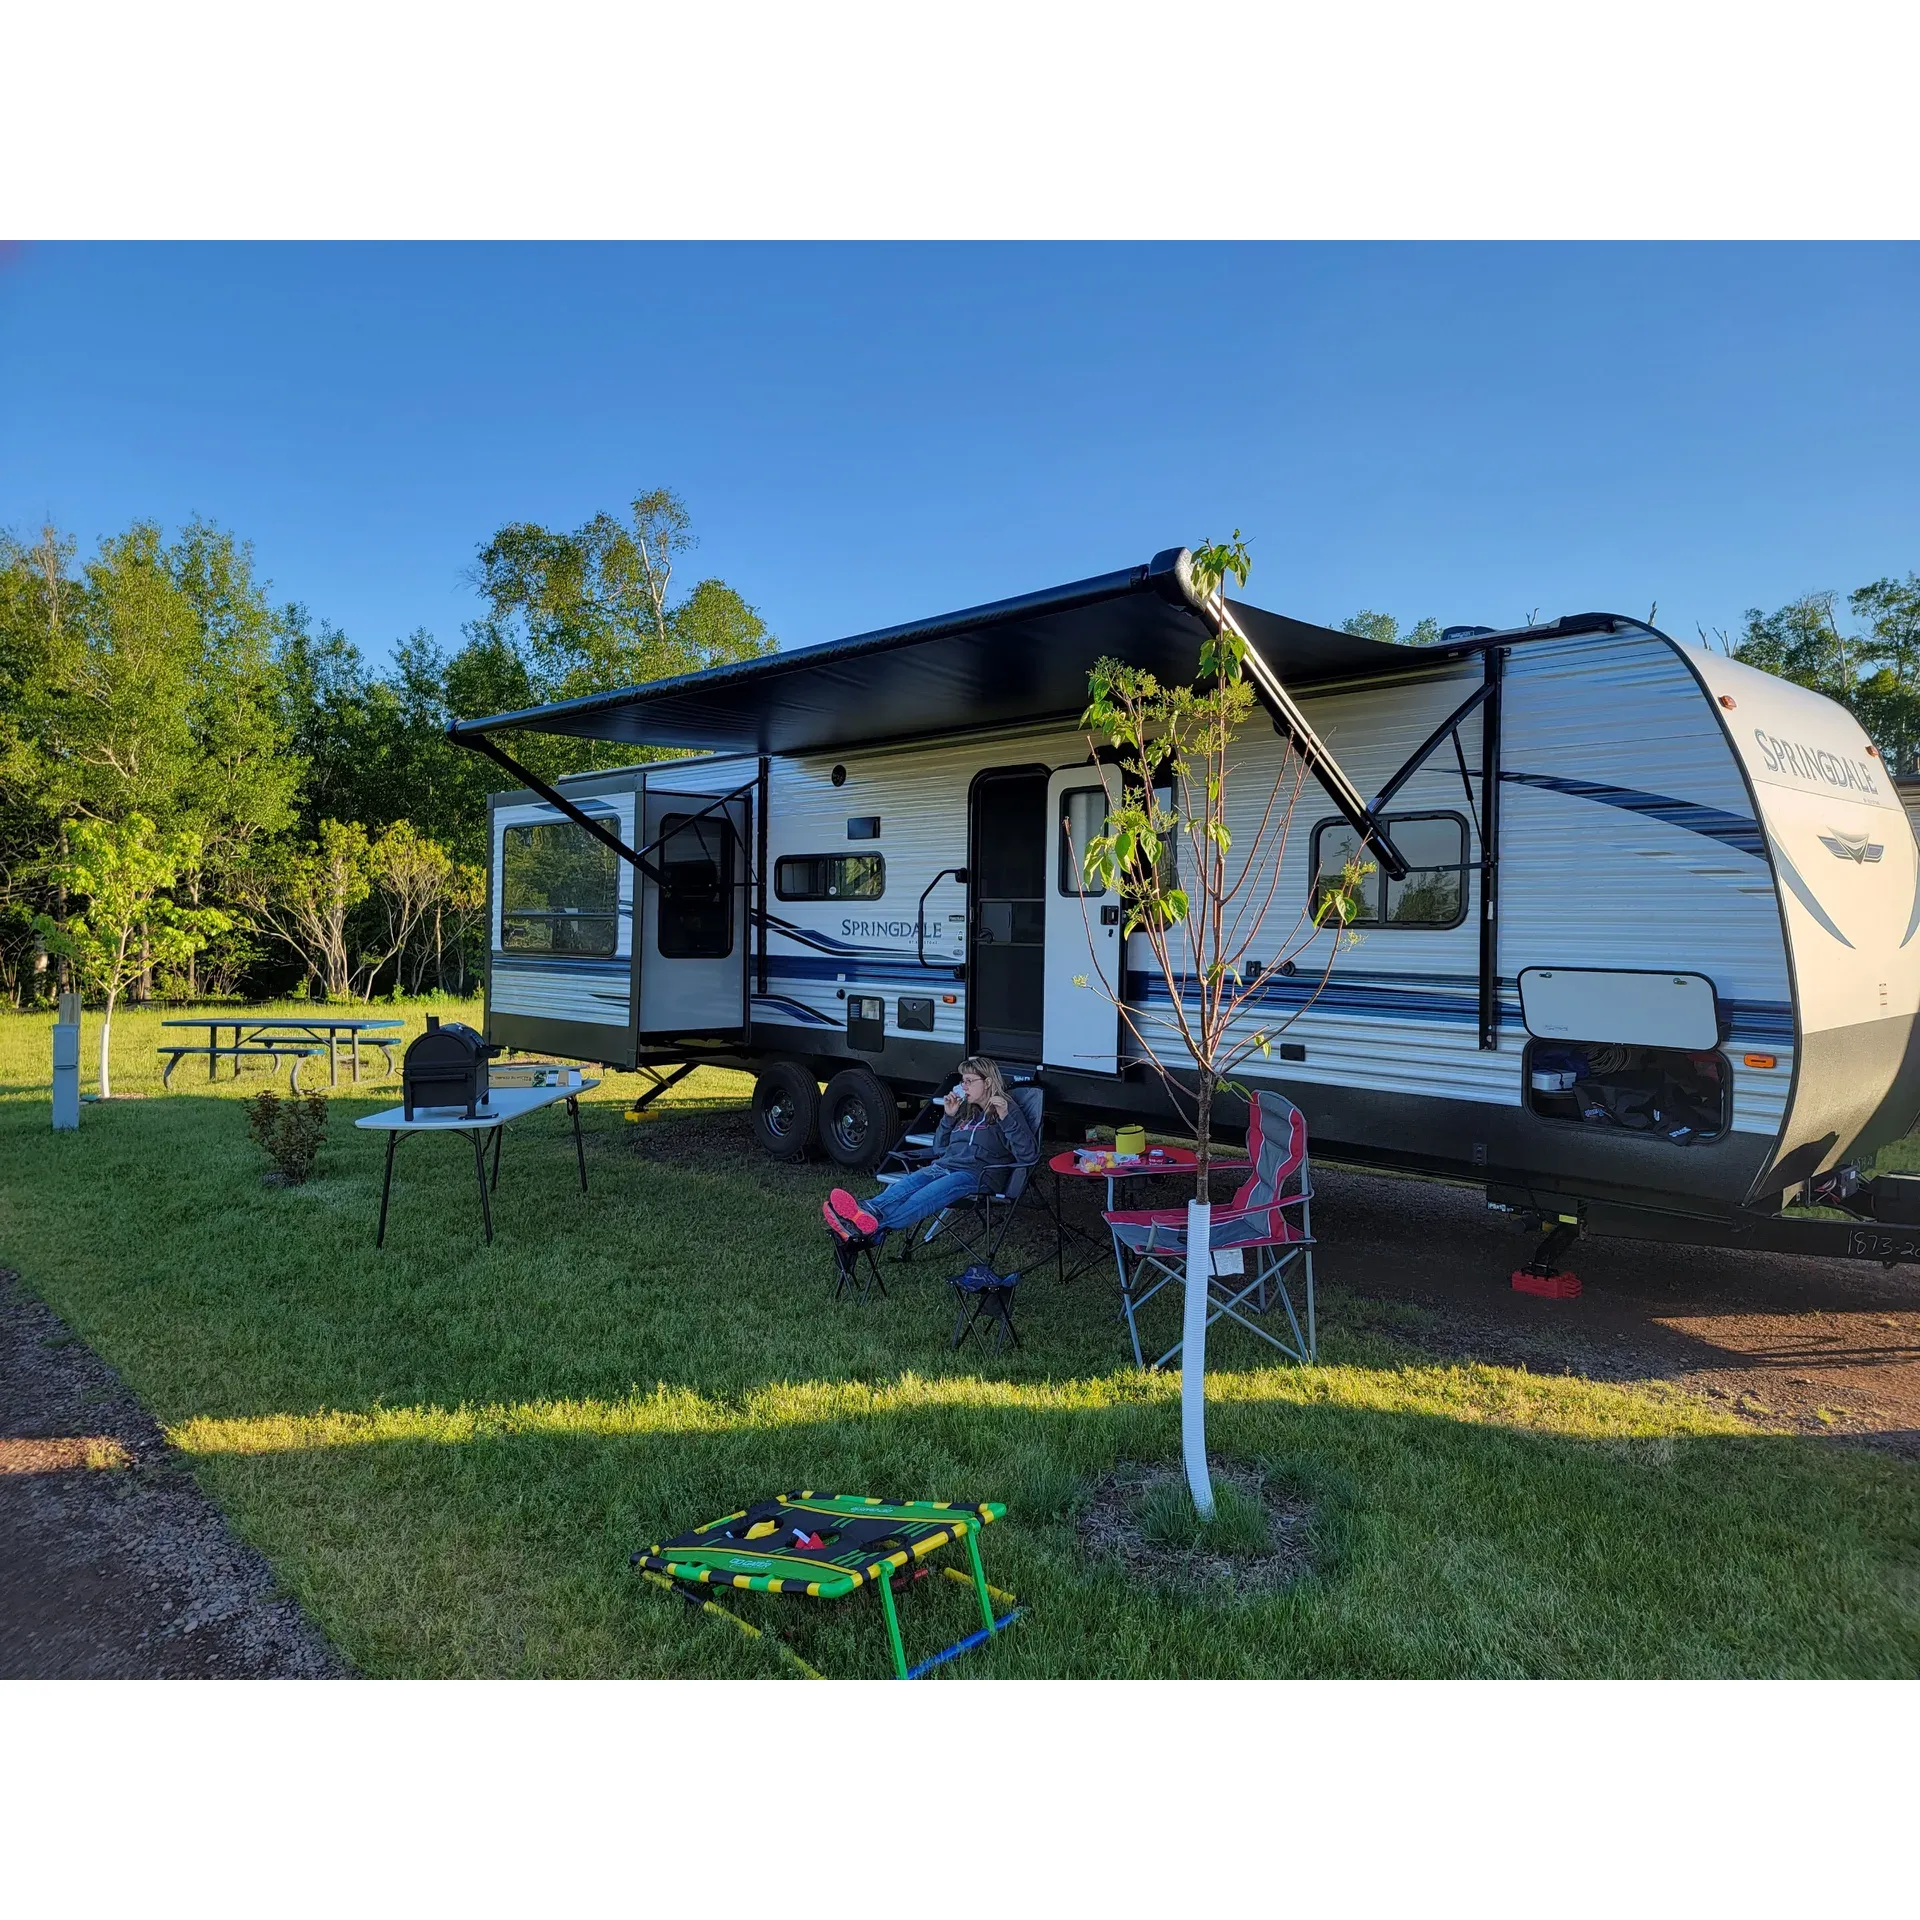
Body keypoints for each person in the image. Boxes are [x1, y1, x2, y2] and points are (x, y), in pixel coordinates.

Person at [822, 1055, 1036, 1252]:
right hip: (945, 1166)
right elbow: (940, 1149)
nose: (964, 1087)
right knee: (906, 1185)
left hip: (977, 1175)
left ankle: (869, 1230)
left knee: (924, 1196)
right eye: (963, 1081)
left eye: (969, 1081)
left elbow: (1028, 1155)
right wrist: (949, 1117)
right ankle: (863, 1212)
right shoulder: (968, 1113)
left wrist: (1006, 1118)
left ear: (988, 1082)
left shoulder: (1006, 1109)